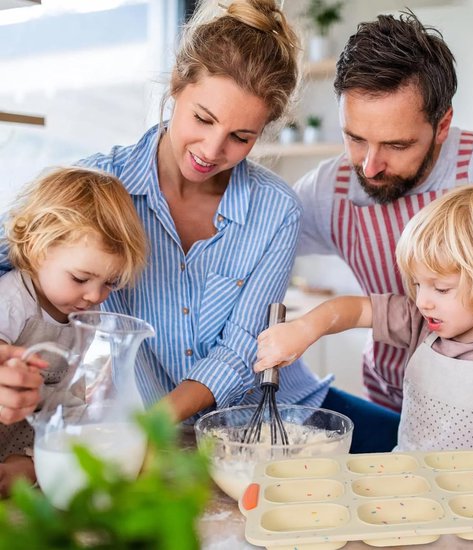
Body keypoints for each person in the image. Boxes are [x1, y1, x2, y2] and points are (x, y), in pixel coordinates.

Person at [1, 0, 331, 426]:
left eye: (241, 137)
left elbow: (241, 348)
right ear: (177, 84)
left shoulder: (276, 211)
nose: (212, 151)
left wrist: (149, 429)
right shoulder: (98, 187)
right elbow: (17, 249)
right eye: (203, 118)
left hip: (259, 422)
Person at [294, 11, 473, 421]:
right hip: (392, 399)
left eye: (396, 145)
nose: (370, 166)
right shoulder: (328, 187)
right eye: (355, 138)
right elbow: (258, 247)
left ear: (442, 124)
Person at [256, 186, 473, 476]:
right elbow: (356, 310)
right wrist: (305, 329)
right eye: (418, 284)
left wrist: (468, 483)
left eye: (441, 288)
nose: (423, 301)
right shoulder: (421, 322)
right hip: (408, 483)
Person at [0, 166, 147, 495]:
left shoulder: (84, 310)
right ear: (38, 248)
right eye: (81, 278)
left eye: (110, 283)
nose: (95, 296)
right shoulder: (11, 300)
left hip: (33, 432)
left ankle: (25, 467)